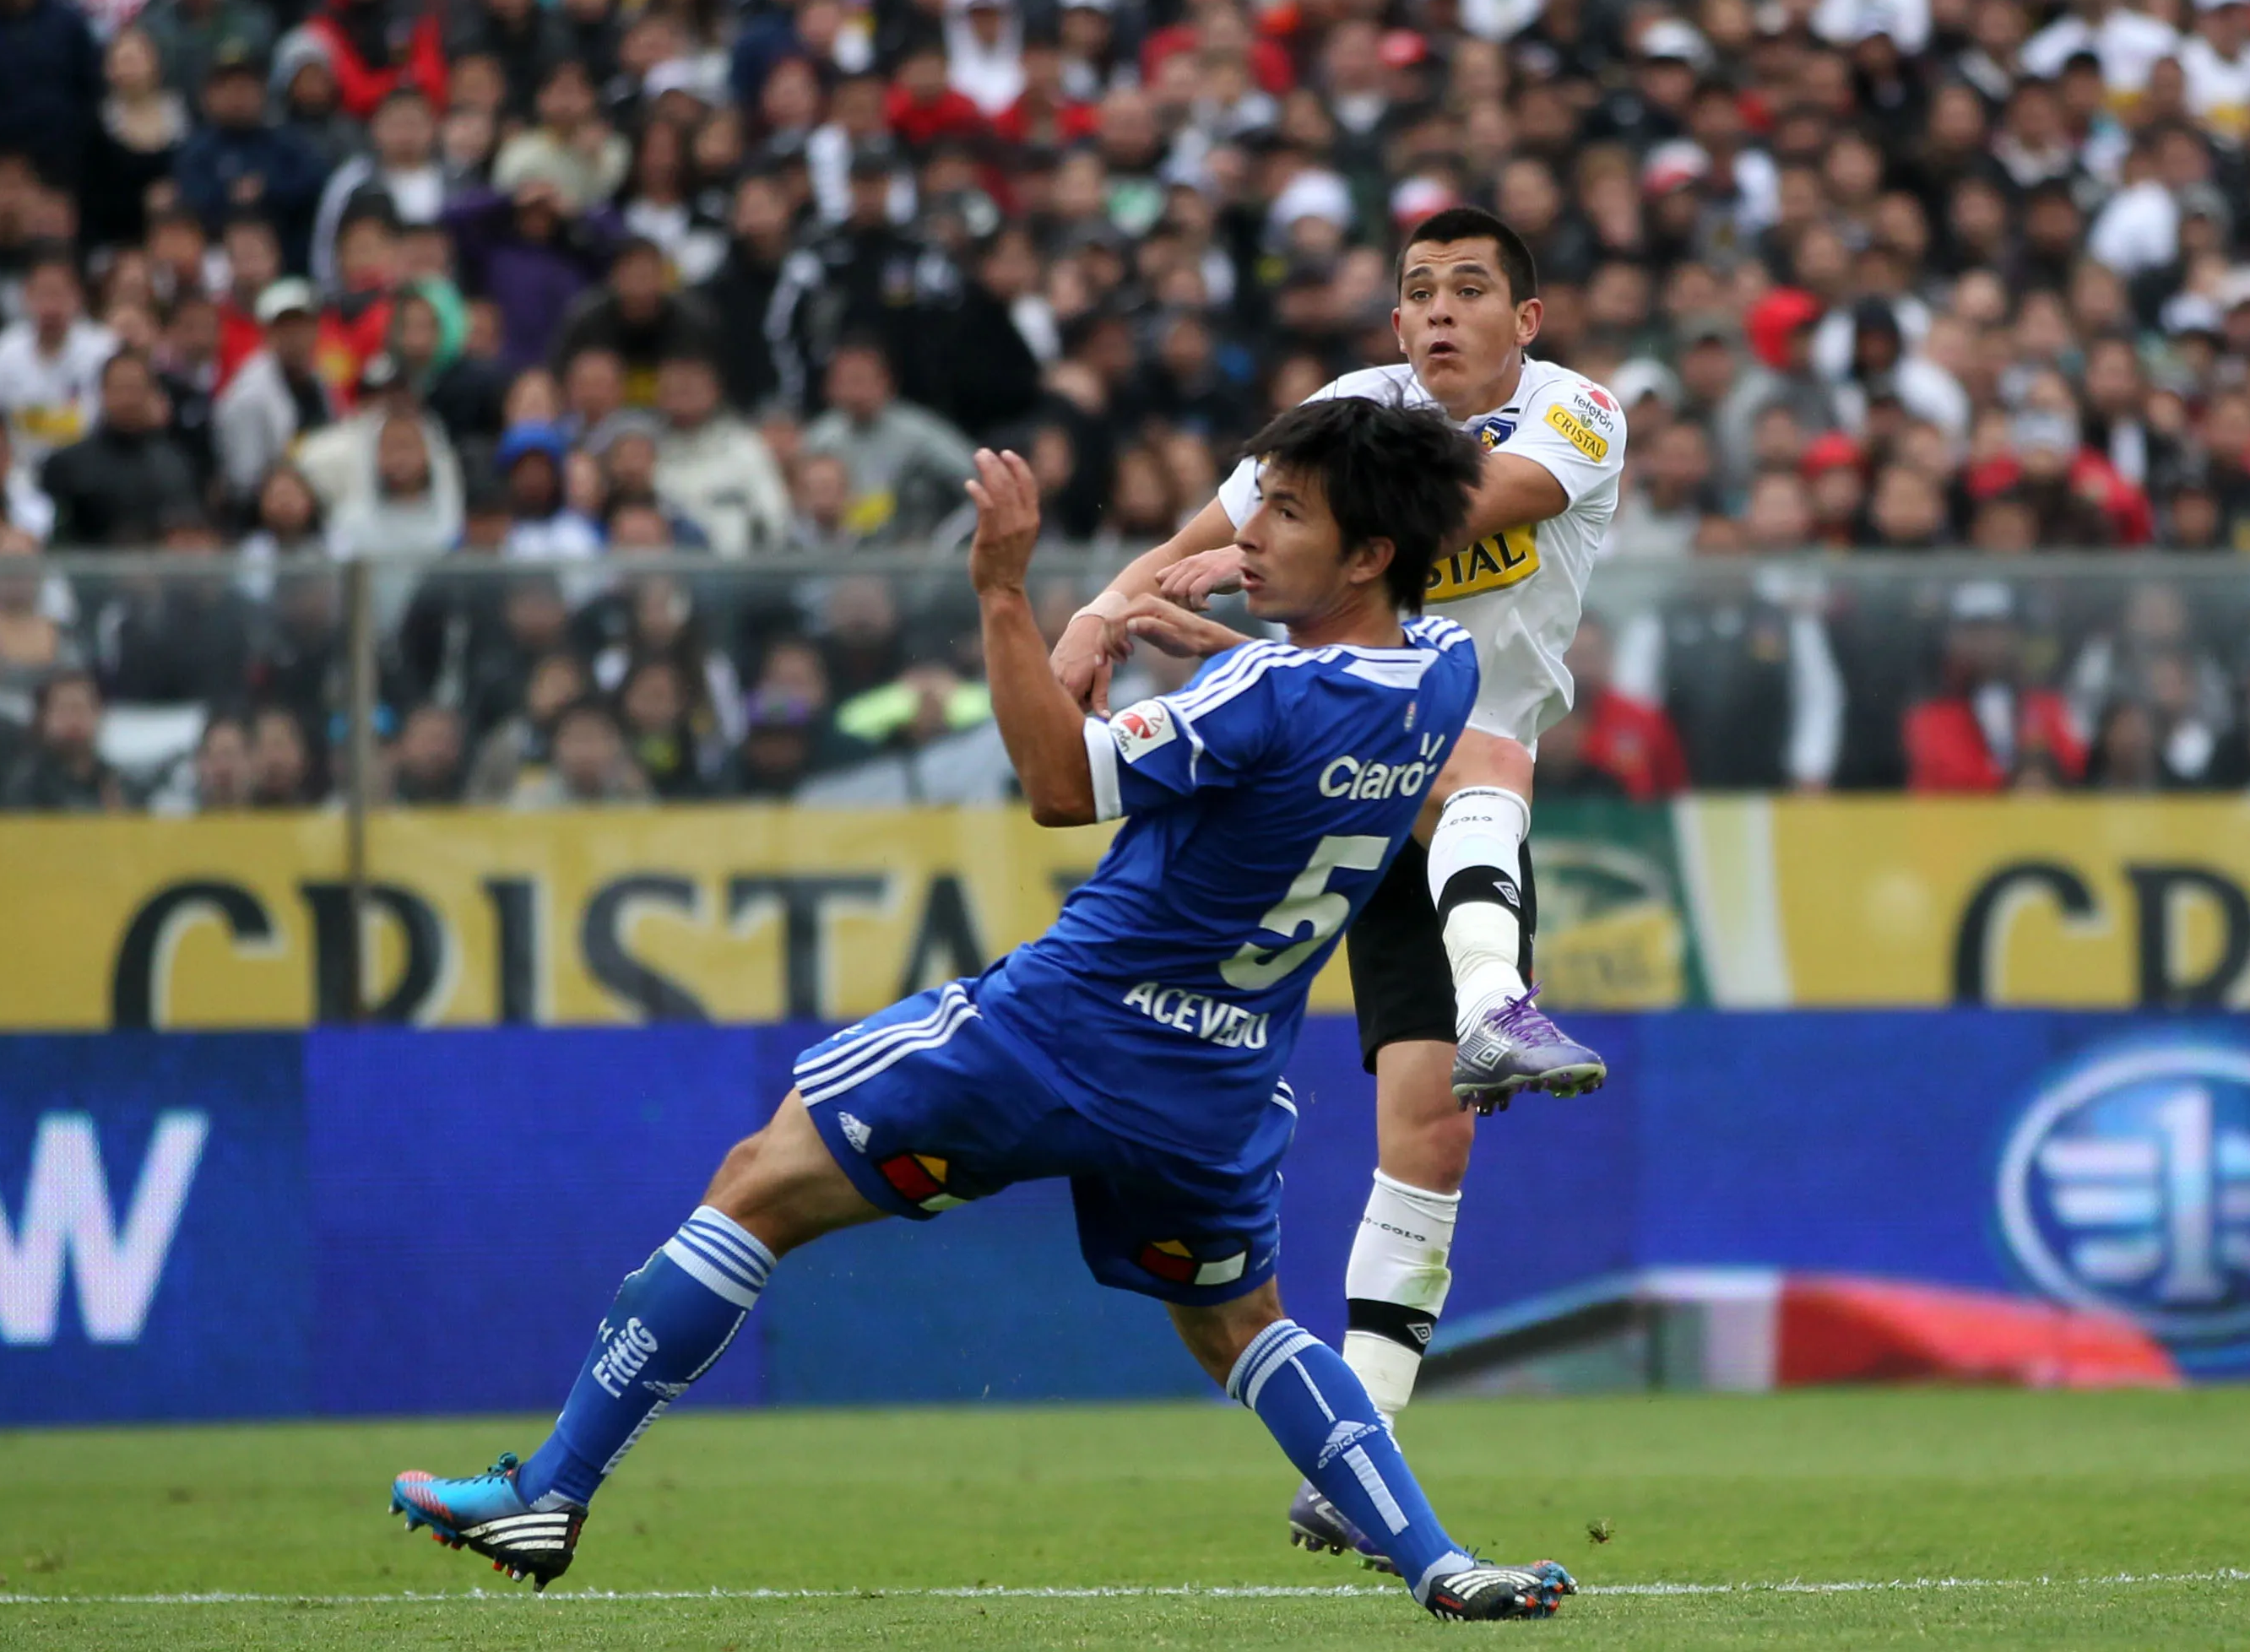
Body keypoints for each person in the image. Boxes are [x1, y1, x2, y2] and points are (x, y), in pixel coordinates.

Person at [388, 401, 1574, 1621]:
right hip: (1214, 1085)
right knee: (1242, 1324)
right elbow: (1310, 714)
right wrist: (1212, 647)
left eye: (1285, 510)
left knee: (756, 1179)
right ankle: (1440, 1561)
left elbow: (1060, 780)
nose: (1247, 531)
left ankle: (552, 1487)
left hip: (1059, 1031)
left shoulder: (1262, 688)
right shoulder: (1442, 669)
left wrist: (1008, 593)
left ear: (1370, 552)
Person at [1053, 207, 1620, 1561]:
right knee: (1469, 744)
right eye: (1417, 290)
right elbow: (1198, 532)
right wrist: (1095, 610)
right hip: (1329, 765)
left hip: (1440, 782)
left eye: (1469, 289)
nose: (1437, 310)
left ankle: (1354, 1448)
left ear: (1522, 323)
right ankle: (1496, 999)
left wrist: (1269, 545)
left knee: (1431, 1134)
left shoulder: (1575, 414)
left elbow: (1455, 510)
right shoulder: (1345, 411)